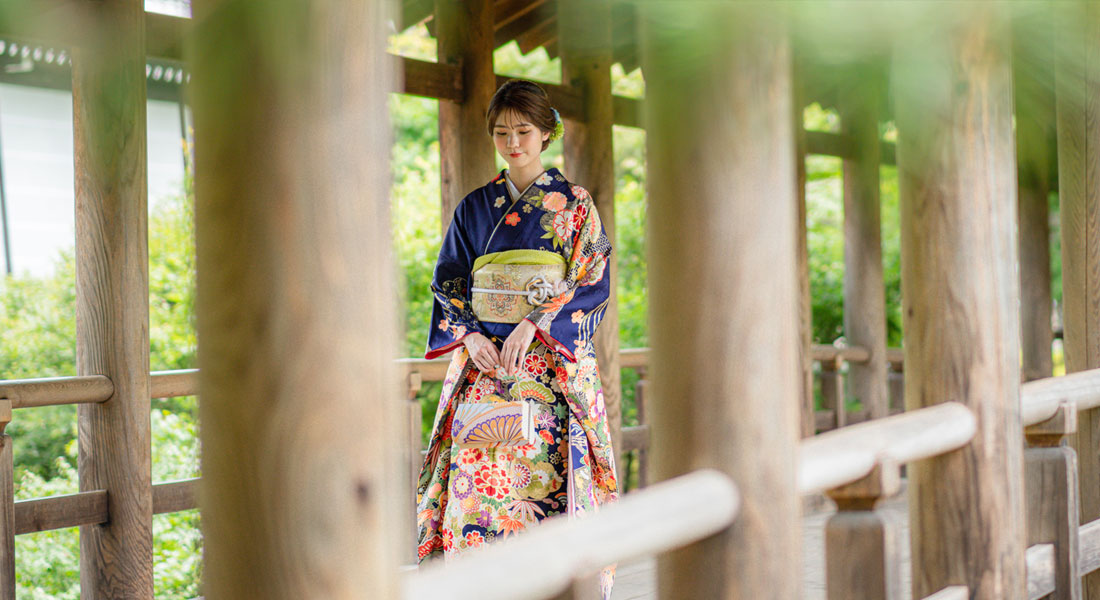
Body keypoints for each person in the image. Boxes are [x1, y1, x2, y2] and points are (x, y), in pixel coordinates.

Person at [416, 79, 618, 597]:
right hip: (486, 365)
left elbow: (591, 276)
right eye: (502, 132)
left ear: (547, 133)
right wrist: (466, 336)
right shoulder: (473, 208)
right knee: (476, 480)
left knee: (548, 486)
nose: (513, 143)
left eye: (524, 131)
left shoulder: (574, 204)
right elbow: (448, 281)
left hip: (549, 367)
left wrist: (536, 322)